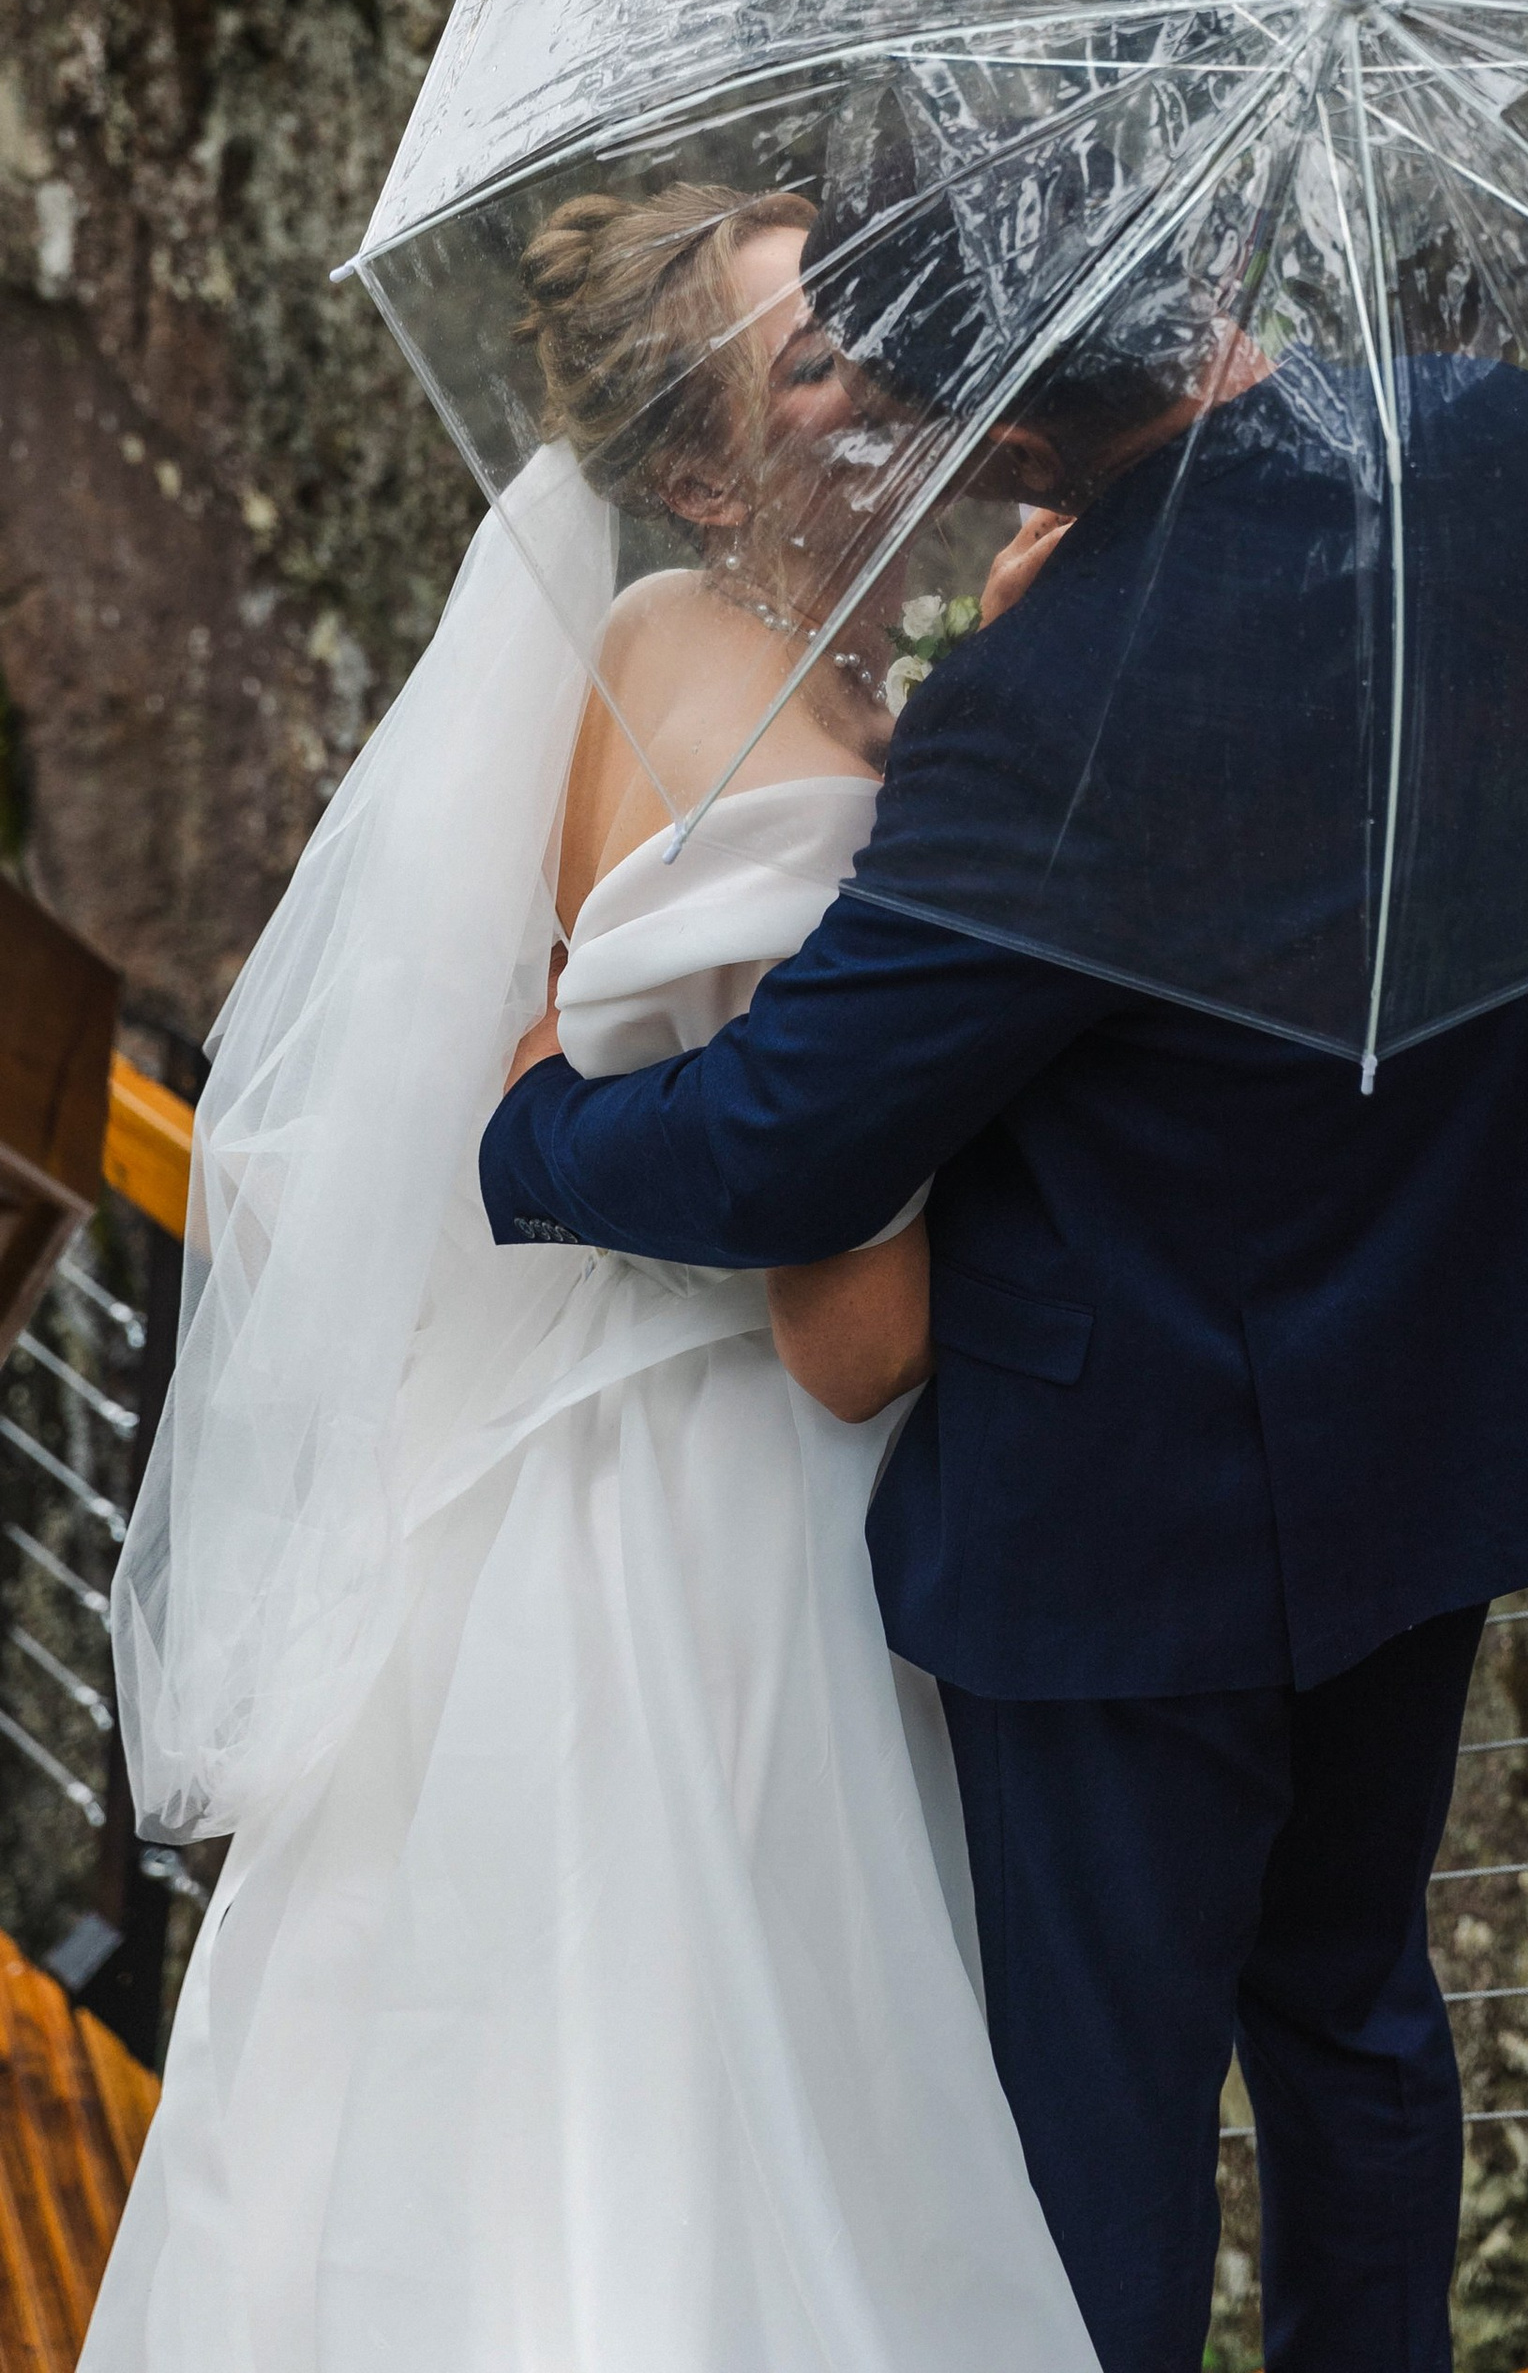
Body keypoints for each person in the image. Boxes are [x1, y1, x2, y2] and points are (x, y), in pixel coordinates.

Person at [480, 171, 1528, 2373]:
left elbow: (782, 1140)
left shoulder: (1058, 692)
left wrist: (525, 1131)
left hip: (1133, 1525)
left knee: (1090, 2137)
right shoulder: (1503, 444)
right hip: (1438, 1407)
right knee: (1353, 2020)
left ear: (1015, 429)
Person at [94, 184, 1095, 2373]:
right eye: (819, 361)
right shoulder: (810, 791)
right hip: (724, 1537)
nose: (892, 374)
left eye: (877, 322)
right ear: (710, 466)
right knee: (703, 2131)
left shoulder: (649, 641)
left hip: (524, 1489)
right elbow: (856, 1345)